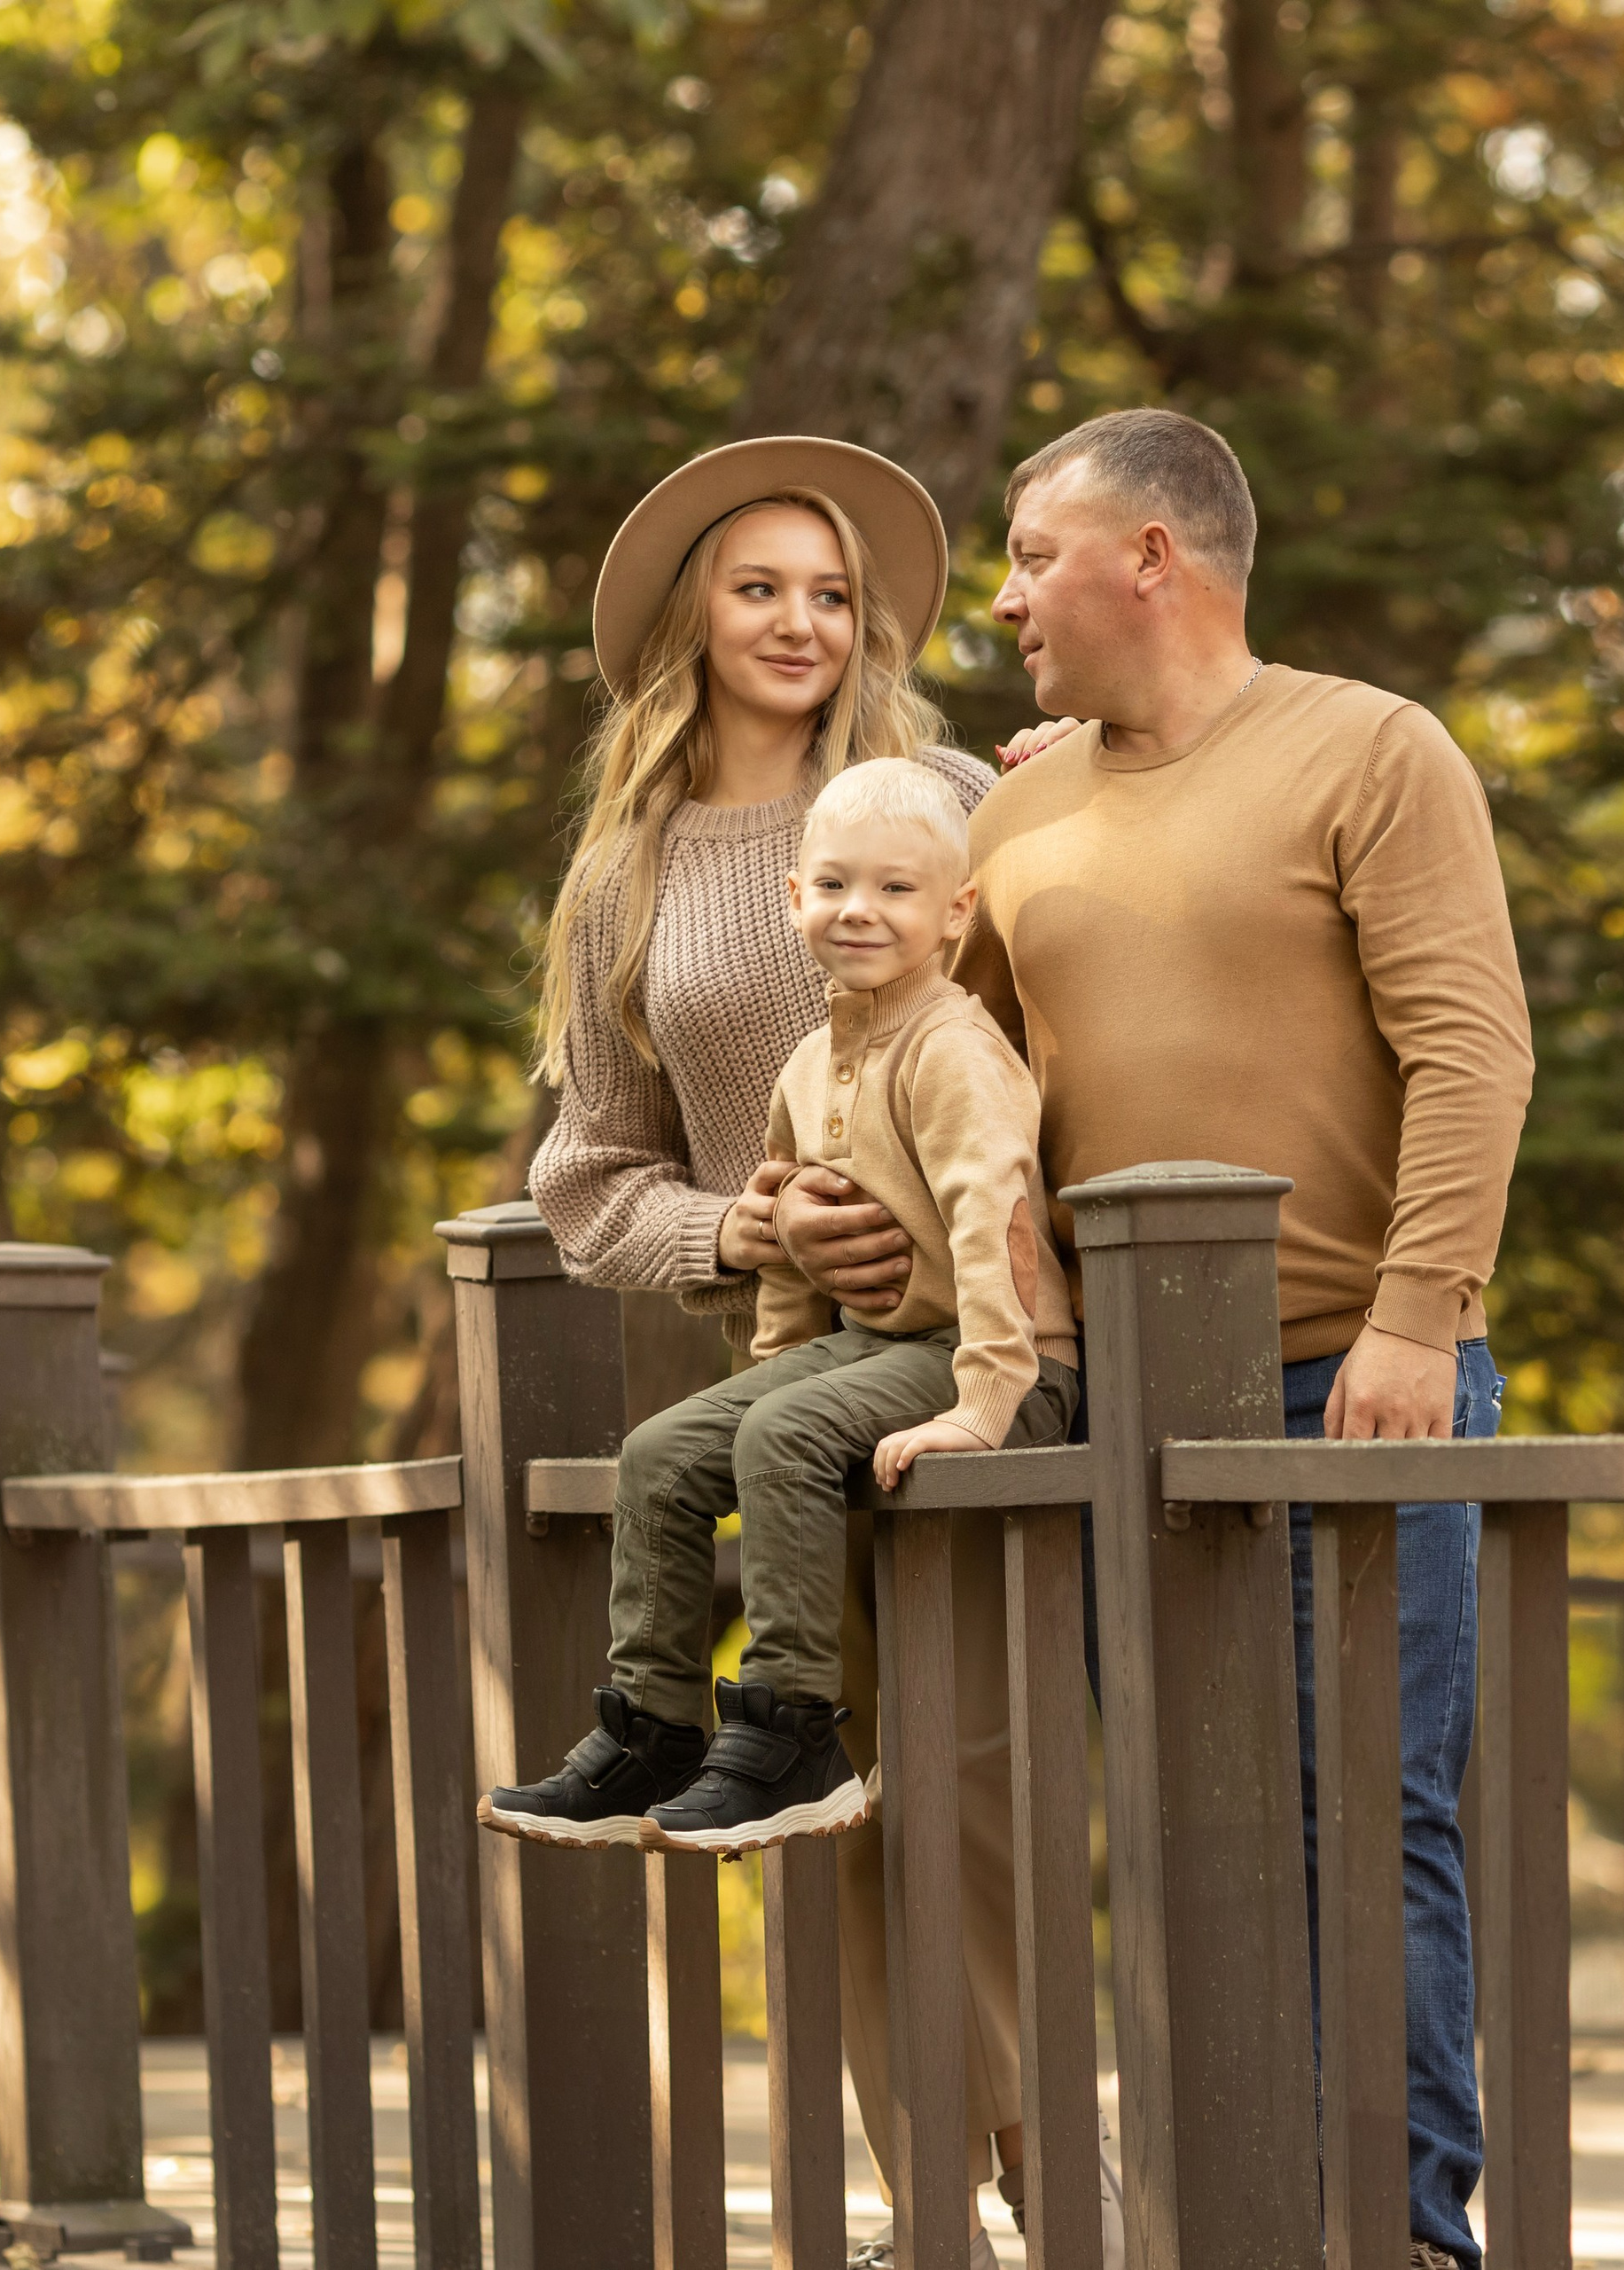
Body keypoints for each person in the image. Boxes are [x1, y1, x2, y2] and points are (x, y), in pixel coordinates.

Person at [779, 407, 1534, 2270]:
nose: (1007, 593)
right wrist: (801, 1212)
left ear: (1153, 558)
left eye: (1036, 553)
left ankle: (1399, 2230)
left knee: (1359, 1811)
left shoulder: (1369, 748)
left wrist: (1411, 1320)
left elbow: (1471, 1052)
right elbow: (951, 1091)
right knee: (1184, 1825)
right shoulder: (1012, 813)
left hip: (1342, 1373)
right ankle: (1228, 2215)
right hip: (1105, 1404)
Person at [516, 437, 1113, 2265]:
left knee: (993, 1789)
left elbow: (1068, 1009)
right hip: (790, 1362)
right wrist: (745, 1227)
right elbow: (584, 1173)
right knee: (825, 1809)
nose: (797, 620)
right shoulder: (624, 875)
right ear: (691, 608)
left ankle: (1066, 2194)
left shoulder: (952, 794)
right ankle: (929, 2205)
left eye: (831, 591)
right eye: (757, 583)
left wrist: (1072, 784)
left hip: (975, 1357)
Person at [482, 758, 1080, 1854]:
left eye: (898, 891)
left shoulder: (952, 1049)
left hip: (999, 1357)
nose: (862, 910)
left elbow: (998, 1223)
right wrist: (766, 1374)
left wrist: (987, 1400)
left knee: (786, 1430)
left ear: (955, 914)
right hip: (876, 1348)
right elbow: (795, 1271)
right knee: (662, 1454)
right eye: (837, 885)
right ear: (792, 899)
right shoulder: (810, 1062)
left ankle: (793, 1734)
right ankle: (653, 1729)